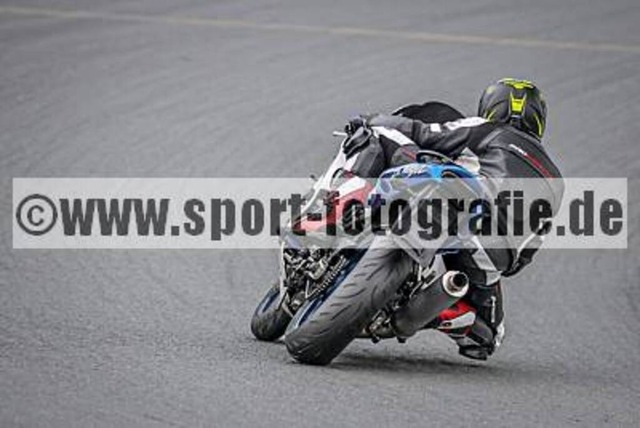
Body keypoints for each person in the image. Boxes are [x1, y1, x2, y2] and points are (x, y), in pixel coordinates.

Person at [341, 78, 564, 360]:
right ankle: (437, 309)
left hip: (461, 215)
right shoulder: (557, 181)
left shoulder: (489, 129)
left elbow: (423, 132)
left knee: (378, 134)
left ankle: (347, 202)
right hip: (492, 259)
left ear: (492, 106)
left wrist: (370, 120)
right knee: (489, 336)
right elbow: (526, 253)